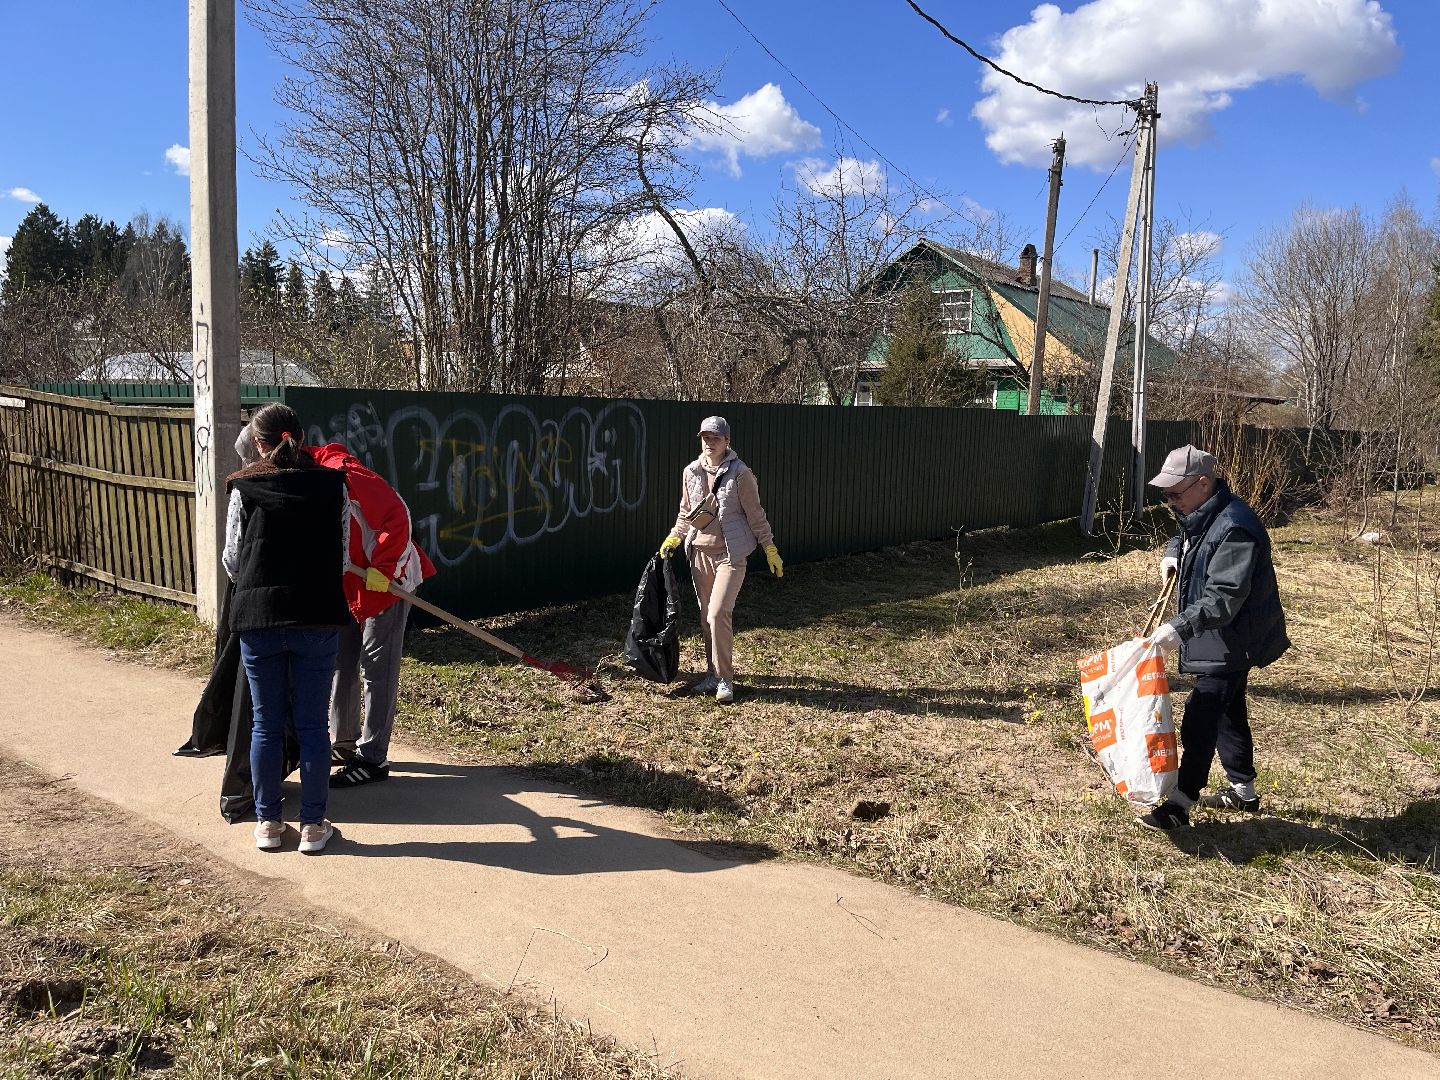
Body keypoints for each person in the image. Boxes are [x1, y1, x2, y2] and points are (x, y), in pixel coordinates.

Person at [1139, 444, 1289, 831]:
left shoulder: (1236, 526)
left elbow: (1223, 597)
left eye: (1175, 493)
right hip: (1218, 634)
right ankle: (1243, 791)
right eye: (1165, 494)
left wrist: (1178, 628)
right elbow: (1187, 534)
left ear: (1203, 483)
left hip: (1234, 635)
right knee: (1229, 710)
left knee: (1203, 714)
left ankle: (1180, 802)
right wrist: (1174, 552)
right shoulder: (1203, 511)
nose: (1169, 501)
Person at [223, 403, 351, 853]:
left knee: (266, 724)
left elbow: (233, 559)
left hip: (259, 617)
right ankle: (314, 827)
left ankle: (268, 825)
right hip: (317, 614)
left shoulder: (244, 487)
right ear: (301, 435)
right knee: (314, 726)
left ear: (257, 443)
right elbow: (344, 556)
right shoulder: (334, 485)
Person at [307, 440, 436, 787]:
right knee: (341, 660)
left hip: (386, 581)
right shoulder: (307, 480)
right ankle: (343, 743)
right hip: (351, 582)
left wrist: (384, 567)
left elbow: (398, 513)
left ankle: (373, 757)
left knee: (377, 667)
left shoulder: (345, 475)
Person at [658, 415, 782, 703]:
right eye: (705, 438)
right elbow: (686, 513)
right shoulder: (691, 471)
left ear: (727, 441)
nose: (709, 443)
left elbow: (755, 514)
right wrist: (674, 536)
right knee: (705, 617)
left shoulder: (741, 473)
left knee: (718, 614)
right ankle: (712, 674)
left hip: (731, 554)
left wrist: (769, 547)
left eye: (715, 438)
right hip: (699, 552)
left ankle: (725, 679)